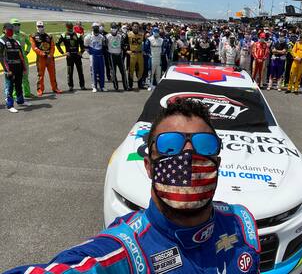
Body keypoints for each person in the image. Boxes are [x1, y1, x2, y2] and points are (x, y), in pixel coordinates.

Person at [5, 99, 261, 273]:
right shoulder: (123, 251)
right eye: (169, 145)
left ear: (217, 161)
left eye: (204, 144)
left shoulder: (241, 222)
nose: (188, 156)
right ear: (149, 166)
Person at [0, 23, 31, 113]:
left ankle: (20, 101)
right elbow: (1, 57)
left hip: (18, 67)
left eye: (12, 30)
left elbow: (21, 55)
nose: (10, 31)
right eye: (8, 29)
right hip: (9, 68)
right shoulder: (2, 41)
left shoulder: (16, 41)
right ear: (4, 30)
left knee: (18, 85)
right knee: (10, 87)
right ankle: (10, 105)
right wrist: (7, 70)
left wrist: (24, 67)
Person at [30, 21, 62, 96]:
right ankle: (40, 89)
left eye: (41, 26)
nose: (40, 28)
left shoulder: (49, 36)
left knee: (53, 74)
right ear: (36, 27)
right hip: (41, 58)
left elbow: (53, 46)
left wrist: (50, 55)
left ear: (44, 27)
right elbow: (34, 47)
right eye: (39, 26)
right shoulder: (33, 36)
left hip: (50, 58)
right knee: (40, 75)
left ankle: (55, 88)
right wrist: (42, 54)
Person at [56, 22, 85, 91]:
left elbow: (82, 45)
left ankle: (81, 85)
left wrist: (81, 52)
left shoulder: (78, 35)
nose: (70, 28)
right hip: (70, 57)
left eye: (70, 27)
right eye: (69, 27)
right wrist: (63, 52)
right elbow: (57, 44)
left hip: (77, 56)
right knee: (70, 72)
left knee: (79, 71)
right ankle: (72, 86)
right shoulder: (64, 35)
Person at [10, 18, 34, 98]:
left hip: (23, 59)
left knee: (25, 76)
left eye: (18, 25)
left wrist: (27, 51)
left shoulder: (23, 34)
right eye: (15, 25)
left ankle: (27, 93)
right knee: (14, 77)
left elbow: (29, 44)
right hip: (13, 60)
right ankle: (14, 94)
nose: (17, 26)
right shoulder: (9, 35)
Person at [106, 22, 128, 91]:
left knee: (123, 71)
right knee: (113, 72)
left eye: (115, 28)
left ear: (117, 28)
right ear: (110, 28)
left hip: (119, 55)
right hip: (111, 56)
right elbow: (105, 46)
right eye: (112, 28)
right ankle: (116, 87)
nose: (114, 29)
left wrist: (125, 47)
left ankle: (126, 86)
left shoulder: (120, 36)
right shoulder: (107, 36)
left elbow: (123, 45)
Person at [84, 22, 106, 92]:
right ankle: (94, 86)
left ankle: (102, 86)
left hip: (100, 56)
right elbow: (86, 47)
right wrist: (91, 53)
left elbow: (103, 46)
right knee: (93, 71)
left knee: (102, 71)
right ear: (92, 28)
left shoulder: (101, 37)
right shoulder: (88, 37)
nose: (96, 28)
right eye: (94, 27)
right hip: (93, 56)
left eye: (97, 27)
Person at [127, 22, 144, 90]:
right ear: (132, 27)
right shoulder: (128, 34)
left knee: (141, 69)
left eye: (137, 26)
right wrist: (126, 50)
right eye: (134, 26)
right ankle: (130, 85)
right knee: (131, 70)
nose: (135, 27)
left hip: (140, 54)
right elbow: (124, 43)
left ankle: (140, 85)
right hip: (132, 54)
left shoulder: (142, 34)